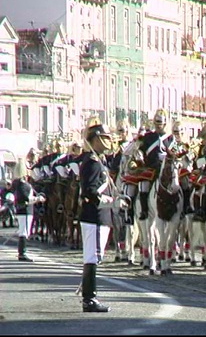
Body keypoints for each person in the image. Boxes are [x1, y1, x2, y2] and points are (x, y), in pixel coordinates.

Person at [79, 121, 128, 312]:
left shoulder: (99, 161)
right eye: (106, 137)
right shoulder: (92, 163)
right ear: (96, 140)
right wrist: (113, 202)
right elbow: (90, 193)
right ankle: (89, 299)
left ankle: (88, 294)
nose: (109, 141)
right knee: (92, 257)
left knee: (93, 257)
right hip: (95, 216)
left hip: (99, 217)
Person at [135, 109, 174, 221]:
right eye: (156, 123)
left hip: (166, 168)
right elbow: (141, 150)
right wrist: (139, 155)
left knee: (180, 182)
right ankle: (144, 210)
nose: (158, 126)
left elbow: (175, 153)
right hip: (151, 168)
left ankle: (185, 207)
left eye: (160, 123)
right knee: (143, 183)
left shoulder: (170, 138)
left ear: (165, 123)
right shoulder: (148, 137)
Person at [11, 157, 46, 261]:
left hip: (21, 210)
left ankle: (22, 252)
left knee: (24, 231)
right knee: (24, 232)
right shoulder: (23, 184)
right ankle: (22, 253)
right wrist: (38, 199)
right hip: (25, 211)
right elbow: (27, 198)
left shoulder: (16, 183)